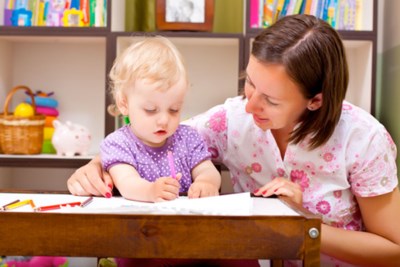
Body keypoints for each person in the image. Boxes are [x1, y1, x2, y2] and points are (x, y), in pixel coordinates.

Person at [67, 14, 400, 266]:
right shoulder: (231, 121)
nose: (250, 104)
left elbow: (393, 250)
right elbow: (157, 140)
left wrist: (301, 226)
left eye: (270, 100)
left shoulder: (363, 140)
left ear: (316, 100)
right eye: (249, 82)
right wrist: (98, 164)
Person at [100, 36, 221, 203]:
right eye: (151, 110)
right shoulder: (118, 143)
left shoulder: (188, 138)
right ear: (124, 103)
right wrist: (150, 191)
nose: (164, 120)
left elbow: (208, 170)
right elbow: (127, 182)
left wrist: (206, 182)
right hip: (138, 223)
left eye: (174, 110)